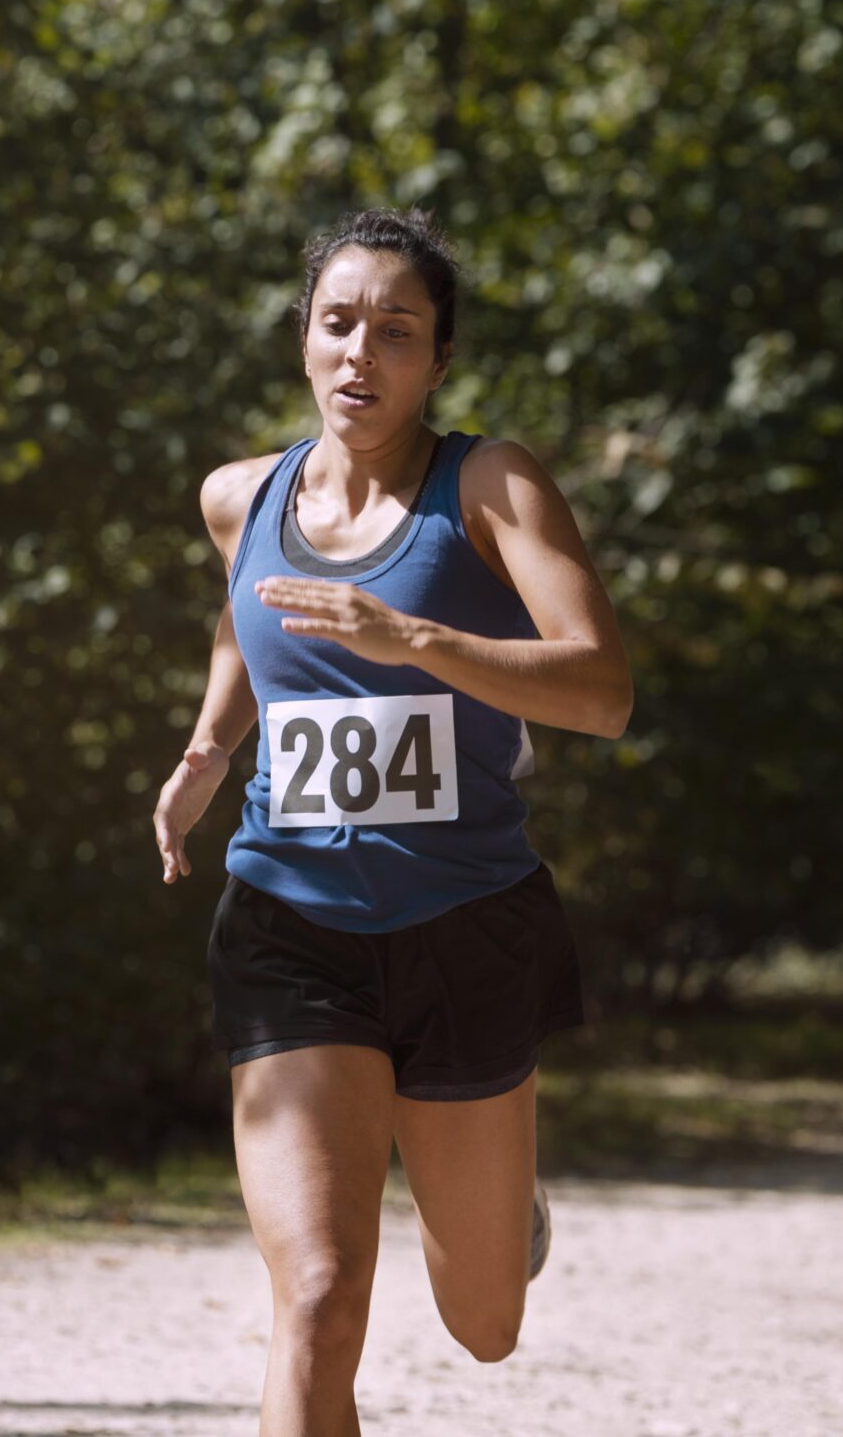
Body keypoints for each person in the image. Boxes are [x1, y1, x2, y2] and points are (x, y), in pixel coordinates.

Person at [151, 206, 634, 1437]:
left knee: (484, 1321)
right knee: (317, 1295)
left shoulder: (489, 486)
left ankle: (502, 1207)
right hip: (290, 921)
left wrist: (411, 636)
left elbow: (601, 690)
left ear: (438, 360)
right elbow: (248, 613)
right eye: (337, 322)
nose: (359, 351)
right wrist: (212, 743)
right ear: (303, 337)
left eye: (396, 330)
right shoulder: (238, 496)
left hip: (466, 923)